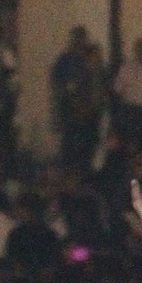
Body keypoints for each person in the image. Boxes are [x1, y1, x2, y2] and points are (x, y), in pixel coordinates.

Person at [50, 28, 104, 176]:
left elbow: (96, 89)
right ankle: (69, 173)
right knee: (70, 144)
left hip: (89, 112)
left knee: (87, 145)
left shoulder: (88, 62)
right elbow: (58, 84)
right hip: (71, 110)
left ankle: (84, 173)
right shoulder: (66, 60)